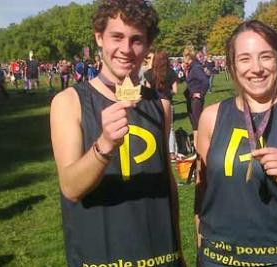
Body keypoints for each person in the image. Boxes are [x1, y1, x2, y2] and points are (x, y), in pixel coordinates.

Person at [50, 1, 184, 266]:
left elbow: (168, 183)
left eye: (136, 40)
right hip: (100, 256)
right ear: (99, 38)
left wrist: (178, 250)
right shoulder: (69, 102)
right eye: (117, 37)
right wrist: (104, 144)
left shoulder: (161, 105)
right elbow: (70, 187)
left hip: (160, 256)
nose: (126, 49)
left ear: (147, 47)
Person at [194, 20, 277, 267]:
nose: (256, 68)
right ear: (231, 66)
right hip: (219, 258)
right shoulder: (211, 117)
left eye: (265, 57)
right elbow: (202, 195)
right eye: (244, 59)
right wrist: (201, 242)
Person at [144, 50, 178, 160]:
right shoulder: (171, 73)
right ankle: (171, 152)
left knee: (154, 127)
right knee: (170, 128)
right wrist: (166, 94)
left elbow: (147, 89)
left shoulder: (149, 73)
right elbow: (175, 90)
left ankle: (156, 151)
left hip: (154, 104)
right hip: (167, 102)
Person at [184, 50, 209, 148]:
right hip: (190, 97)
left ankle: (200, 145)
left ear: (189, 58)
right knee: (193, 121)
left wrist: (201, 94)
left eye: (184, 57)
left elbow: (205, 81)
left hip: (196, 99)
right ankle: (196, 144)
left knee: (197, 122)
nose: (183, 59)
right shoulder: (191, 68)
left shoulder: (196, 68)